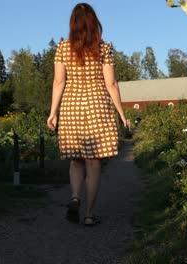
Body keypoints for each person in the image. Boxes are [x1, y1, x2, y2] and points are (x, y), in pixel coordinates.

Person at [47, 3, 127, 226]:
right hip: (97, 107)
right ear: (94, 23)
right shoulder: (103, 48)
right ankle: (90, 215)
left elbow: (58, 82)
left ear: (73, 24)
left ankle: (75, 197)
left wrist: (53, 112)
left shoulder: (63, 48)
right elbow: (111, 83)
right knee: (93, 163)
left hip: (72, 106)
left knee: (75, 160)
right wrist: (121, 112)